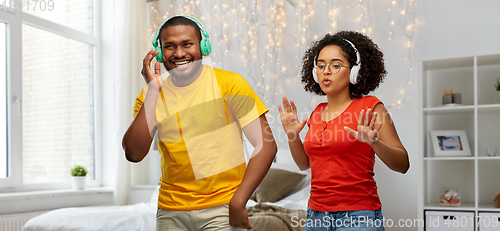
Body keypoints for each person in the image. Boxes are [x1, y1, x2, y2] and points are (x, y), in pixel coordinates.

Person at [122, 15, 277, 231]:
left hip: (223, 208)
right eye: (170, 46)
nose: (179, 53)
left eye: (187, 44)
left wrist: (238, 201)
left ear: (203, 46)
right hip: (170, 211)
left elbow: (266, 145)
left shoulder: (230, 84)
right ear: (159, 52)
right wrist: (153, 92)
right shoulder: (151, 94)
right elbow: (133, 153)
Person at [278, 31, 409, 231]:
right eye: (321, 66)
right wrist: (292, 136)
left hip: (359, 217)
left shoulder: (372, 107)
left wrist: (375, 143)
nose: (326, 71)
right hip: (316, 216)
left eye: (335, 65)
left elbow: (403, 164)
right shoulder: (317, 113)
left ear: (354, 72)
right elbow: (305, 164)